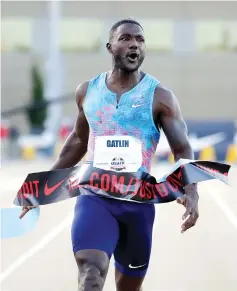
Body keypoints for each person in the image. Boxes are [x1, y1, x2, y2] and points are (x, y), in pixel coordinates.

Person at [21, 19, 199, 291]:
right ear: (110, 46)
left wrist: (191, 190)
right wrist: (43, 184)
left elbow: (182, 148)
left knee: (128, 286)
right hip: (95, 199)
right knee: (90, 275)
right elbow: (78, 140)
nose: (134, 44)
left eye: (140, 40)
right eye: (126, 38)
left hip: (138, 203)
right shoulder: (87, 92)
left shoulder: (160, 96)